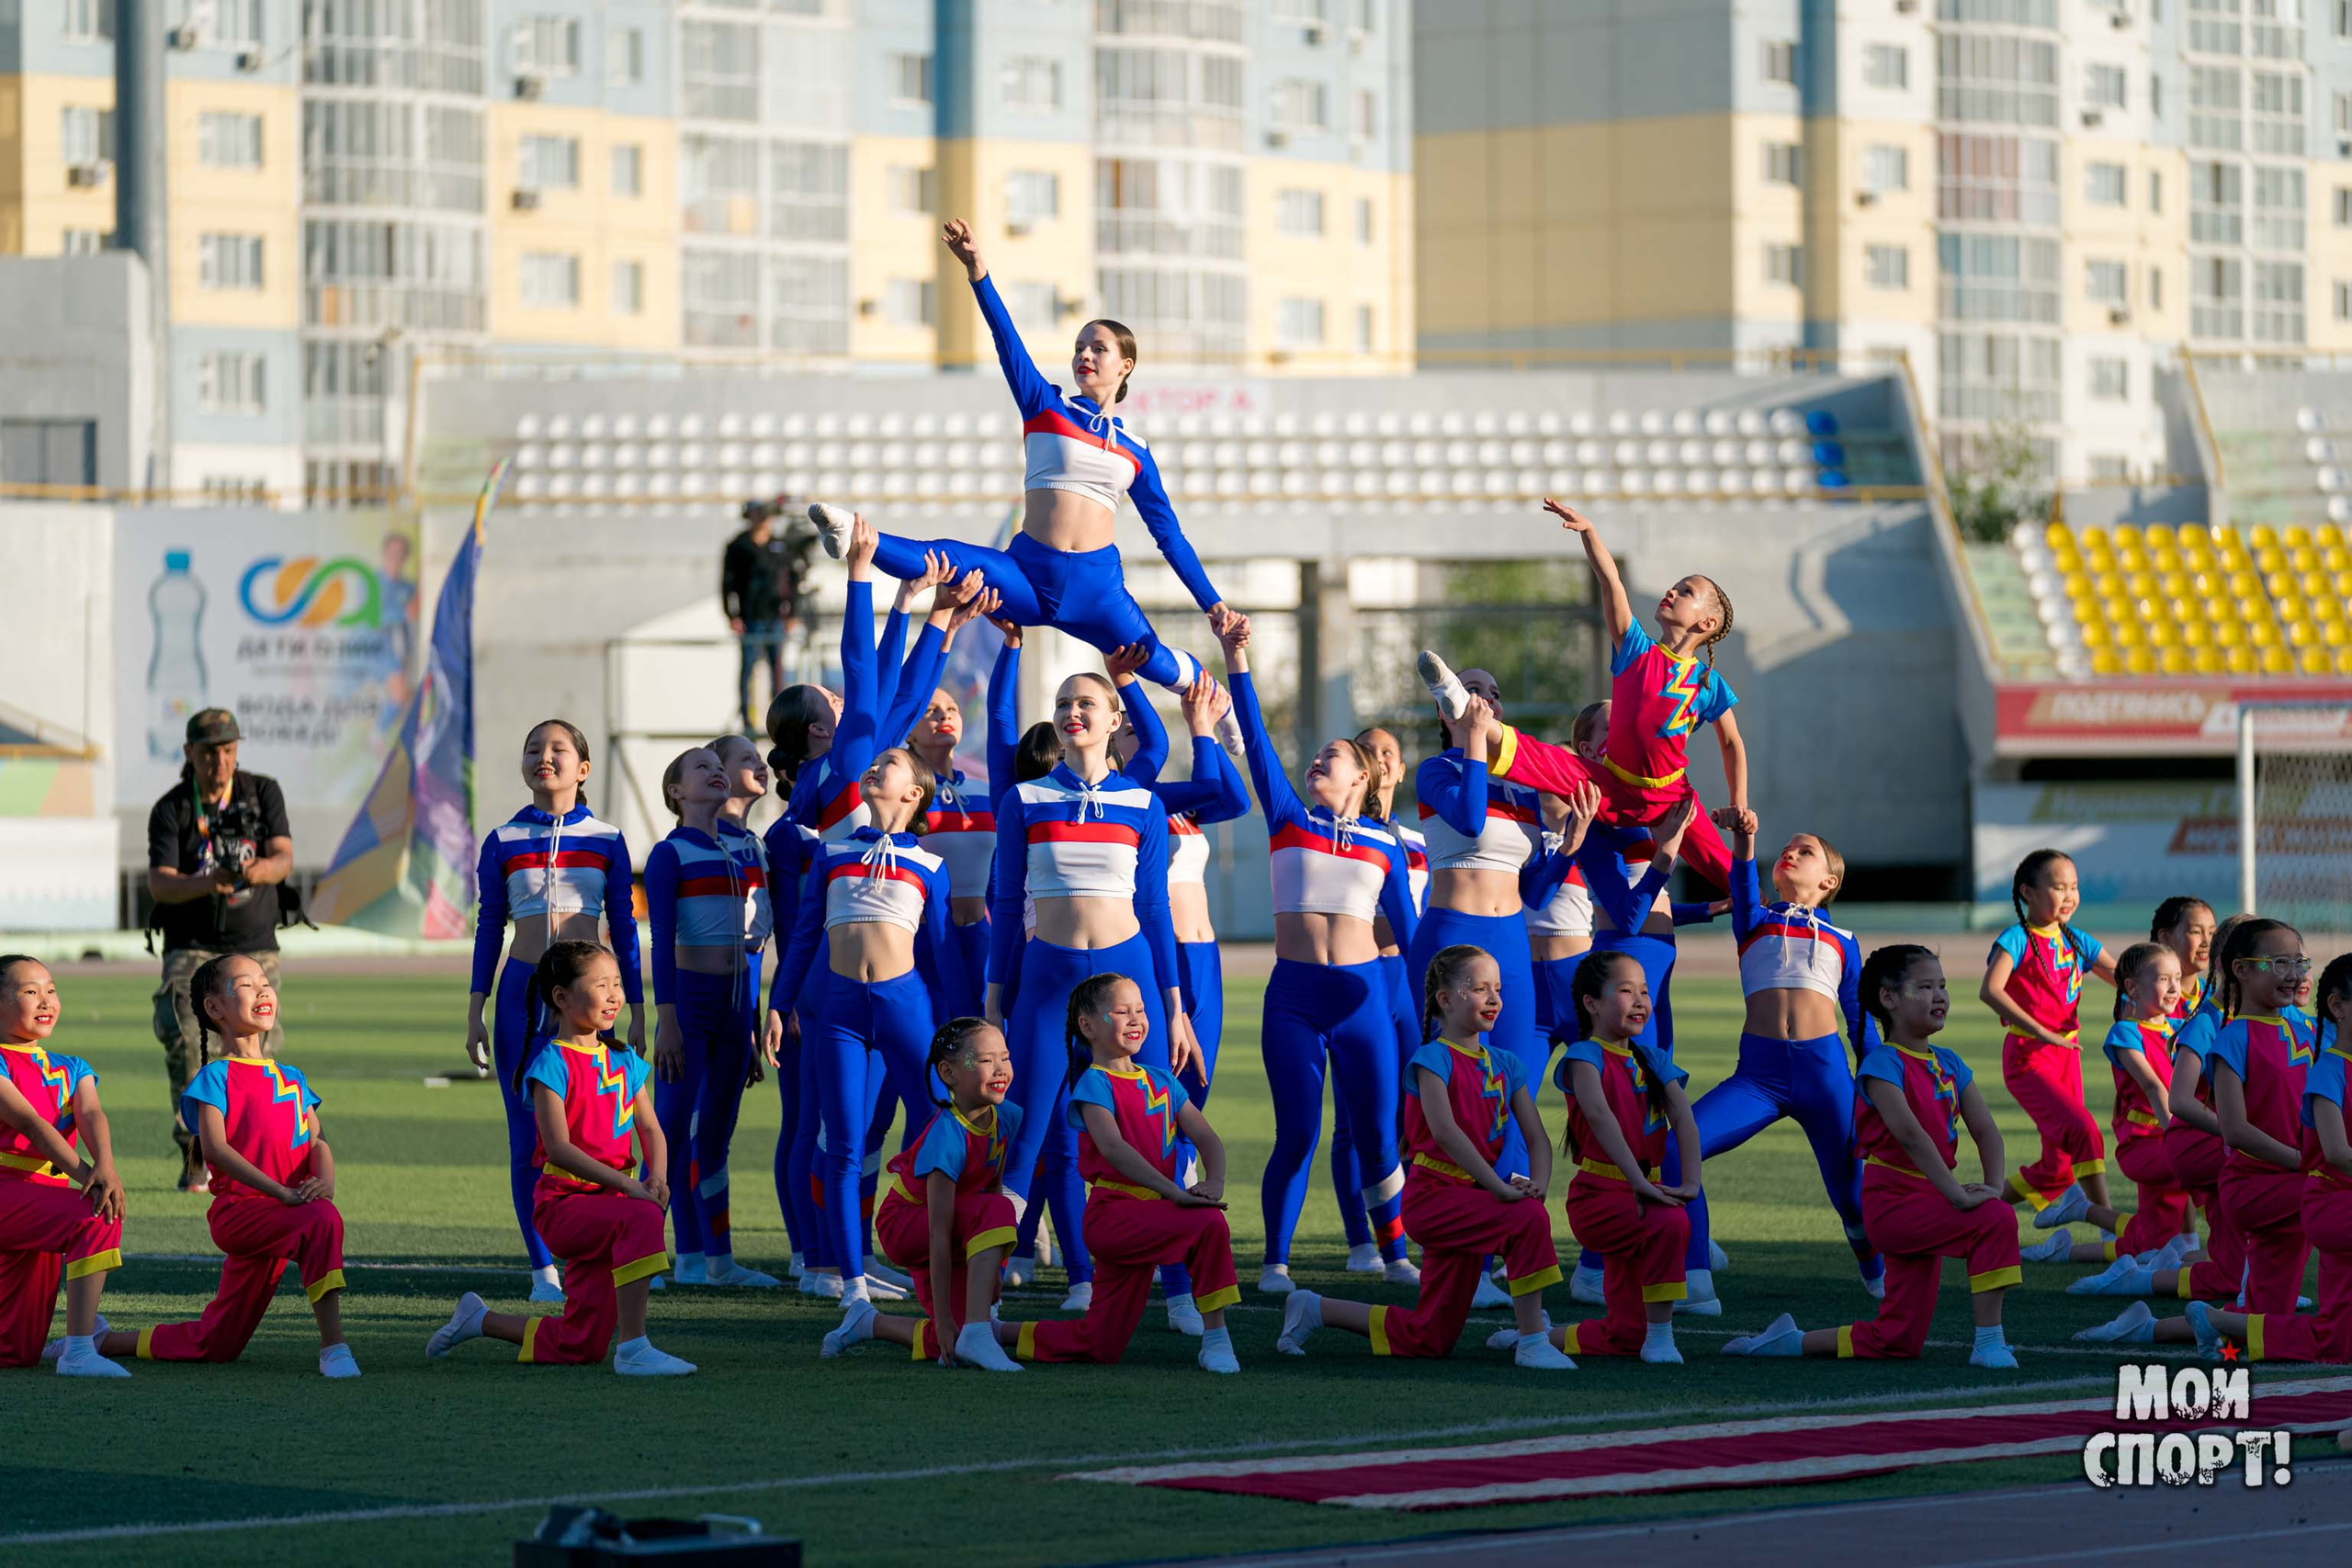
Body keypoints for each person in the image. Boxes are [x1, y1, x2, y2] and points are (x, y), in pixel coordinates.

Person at [802, 219, 1245, 752]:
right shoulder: (1046, 405)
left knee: (1154, 660)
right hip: (1027, 574)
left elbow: (1168, 536)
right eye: (1080, 346)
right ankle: (854, 535)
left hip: (1097, 589)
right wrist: (978, 272)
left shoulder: (1137, 450)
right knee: (949, 557)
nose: (1085, 355)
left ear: (1125, 366)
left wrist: (1213, 605)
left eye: (1098, 348)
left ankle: (1216, 700)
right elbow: (1005, 339)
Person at [1212, 609, 1420, 1294]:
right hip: (1295, 998)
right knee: (1297, 1131)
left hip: (1362, 997)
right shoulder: (1286, 819)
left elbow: (1412, 938)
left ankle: (1393, 1254)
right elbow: (1260, 738)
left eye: (1328, 757)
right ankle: (1274, 1261)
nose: (1314, 762)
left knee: (1377, 1134)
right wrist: (1235, 657)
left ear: (1359, 778)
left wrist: (1435, 1012)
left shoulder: (1388, 843)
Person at [986, 658, 1193, 1313]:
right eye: (1063, 703)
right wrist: (995, 1000)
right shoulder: (1024, 799)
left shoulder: (1144, 803)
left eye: (1086, 703)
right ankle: (1045, 1286)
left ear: (1112, 721)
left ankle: (1184, 1295)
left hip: (1128, 979)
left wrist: (1175, 1009)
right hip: (1047, 981)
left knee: (1155, 1132)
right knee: (1029, 1138)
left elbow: (1156, 909)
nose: (1073, 712)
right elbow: (1007, 896)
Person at [1421, 498, 1745, 894]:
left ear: (1707, 622)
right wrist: (1590, 533)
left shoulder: (1709, 682)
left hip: (1670, 794)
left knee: (1730, 873)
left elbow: (1731, 741)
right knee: (1544, 756)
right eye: (1674, 586)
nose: (1671, 592)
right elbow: (1612, 584)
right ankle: (1462, 704)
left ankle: (1768, 915)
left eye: (1686, 591)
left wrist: (1739, 802)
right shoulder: (1635, 648)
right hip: (1609, 782)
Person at [1276, 945, 1575, 1369]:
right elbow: (1446, 1134)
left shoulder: (1507, 1064)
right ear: (1446, 999)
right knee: (1525, 1221)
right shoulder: (1431, 1059)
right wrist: (1500, 1189)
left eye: (1497, 989)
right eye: (1479, 989)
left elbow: (1538, 1138)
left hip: (1473, 1198)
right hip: (1434, 1200)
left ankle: (1315, 1308)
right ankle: (1533, 1339)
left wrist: (1538, 1185)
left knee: (1429, 1338)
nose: (1493, 998)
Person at [1721, 945, 2020, 1368]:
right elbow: (1910, 1135)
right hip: (1894, 1203)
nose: (1939, 996)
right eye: (1925, 987)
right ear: (1889, 999)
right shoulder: (1882, 1063)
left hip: (1931, 1197)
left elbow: (1986, 1130)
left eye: (1943, 987)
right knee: (1996, 1221)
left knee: (1897, 1340)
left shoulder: (1951, 1062)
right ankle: (1990, 1342)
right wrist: (1958, 1194)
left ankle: (1790, 1341)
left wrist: (1993, 1184)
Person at [427, 942, 694, 1375]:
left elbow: (651, 1129)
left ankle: (479, 1319)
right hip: (565, 1207)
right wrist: (631, 1186)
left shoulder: (624, 1059)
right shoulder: (551, 1063)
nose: (614, 996)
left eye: (618, 985)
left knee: (581, 1343)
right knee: (641, 1218)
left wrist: (657, 1177)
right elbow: (558, 1149)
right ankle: (634, 1348)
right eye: (601, 985)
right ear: (562, 998)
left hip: (610, 1207)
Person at [770, 744, 968, 1303]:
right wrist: (778, 1007)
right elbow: (806, 937)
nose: (875, 768)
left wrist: (969, 1026)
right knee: (844, 1144)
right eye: (873, 763)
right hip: (838, 1013)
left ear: (914, 793)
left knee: (935, 1136)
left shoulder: (930, 865)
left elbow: (943, 956)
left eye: (891, 764)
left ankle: (936, 1266)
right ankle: (850, 1280)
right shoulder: (832, 854)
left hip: (907, 1010)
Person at [96, 954, 356, 1376]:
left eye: (265, 981)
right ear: (215, 1009)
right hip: (242, 1215)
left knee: (217, 1345)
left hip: (286, 1210)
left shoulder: (292, 1077)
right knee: (322, 1221)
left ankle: (107, 1340)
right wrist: (284, 1193)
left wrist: (323, 1182)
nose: (263, 990)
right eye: (246, 984)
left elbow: (317, 1142)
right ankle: (335, 1347)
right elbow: (214, 1151)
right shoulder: (214, 1078)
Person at [1674, 807, 1883, 1310]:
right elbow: (1742, 881)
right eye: (1787, 848)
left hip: (1826, 1077)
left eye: (1804, 851)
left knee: (1851, 1199)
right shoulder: (1754, 920)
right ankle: (1695, 1280)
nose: (1790, 852)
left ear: (1828, 880)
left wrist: (1877, 1090)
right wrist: (1745, 840)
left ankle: (1878, 1276)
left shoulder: (1845, 942)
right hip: (1758, 1078)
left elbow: (1860, 1024)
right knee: (1678, 1150)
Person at [2077, 930, 2325, 1350]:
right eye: (2279, 962)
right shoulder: (2228, 1033)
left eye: (2299, 963)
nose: (2293, 973)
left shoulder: (2305, 1028)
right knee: (2332, 1199)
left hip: (2288, 1175)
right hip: (2256, 1181)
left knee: (2262, 1321)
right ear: (2240, 970)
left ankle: (2148, 1327)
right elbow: (2229, 1126)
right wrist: (2305, 1161)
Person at [467, 719, 644, 1303]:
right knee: (528, 1139)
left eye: (558, 749)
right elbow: (490, 926)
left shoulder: (609, 839)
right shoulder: (502, 839)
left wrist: (636, 1004)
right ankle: (543, 1270)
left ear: (583, 769)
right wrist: (476, 1011)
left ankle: (604, 1251)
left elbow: (624, 923)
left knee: (600, 1133)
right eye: (533, 748)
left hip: (590, 1000)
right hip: (522, 997)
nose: (545, 757)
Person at [998, 974, 1241, 1372]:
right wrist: (1176, 1192)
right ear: (1088, 1026)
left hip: (1151, 1216)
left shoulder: (1161, 1080)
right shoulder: (1094, 1084)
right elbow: (1114, 1149)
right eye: (1122, 1011)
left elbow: (1207, 1138)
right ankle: (1217, 1340)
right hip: (1114, 1216)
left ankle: (995, 1332)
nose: (1136, 1019)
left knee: (1099, 1345)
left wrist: (1213, 1180)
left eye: (1141, 1011)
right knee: (1208, 1225)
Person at [147, 707, 293, 1193]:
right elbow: (160, 885)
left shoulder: (261, 791)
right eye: (210, 752)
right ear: (190, 754)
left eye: (229, 750)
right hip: (191, 944)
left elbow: (283, 858)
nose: (221, 761)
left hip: (253, 944)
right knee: (188, 1043)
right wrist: (210, 881)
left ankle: (260, 1159)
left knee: (261, 1051)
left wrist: (252, 874)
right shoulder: (173, 808)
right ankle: (197, 1156)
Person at [821, 1017, 1023, 1368]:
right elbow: (938, 1232)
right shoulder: (946, 1136)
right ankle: (975, 1332)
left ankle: (869, 1322)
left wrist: (993, 1273)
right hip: (908, 1225)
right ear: (948, 1073)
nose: (1000, 1068)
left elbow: (991, 1183)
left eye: (1004, 1057)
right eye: (986, 1061)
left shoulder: (1006, 1116)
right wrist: (942, 1317)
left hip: (957, 1220)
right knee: (998, 1211)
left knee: (952, 1342)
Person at [1548, 949, 1699, 1363]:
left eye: (1645, 992)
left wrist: (1691, 1182)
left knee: (1625, 1334)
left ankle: (1540, 1335)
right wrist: (1638, 1184)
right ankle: (1663, 1337)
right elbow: (1599, 1117)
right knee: (1670, 1223)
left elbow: (1684, 1121)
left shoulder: (1651, 1059)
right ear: (1591, 1004)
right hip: (1599, 1197)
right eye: (1626, 991)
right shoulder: (1584, 1055)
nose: (1640, 1001)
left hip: (1639, 1190)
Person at [0, 956, 128, 1377]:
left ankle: (75, 1340)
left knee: (17, 1353)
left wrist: (105, 1166)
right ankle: (79, 1349)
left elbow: (91, 1115)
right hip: (8, 1191)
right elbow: (31, 1124)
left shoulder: (73, 1067)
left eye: (51, 990)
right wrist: (89, 1177)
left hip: (40, 1199)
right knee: (96, 1212)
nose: (45, 1001)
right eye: (29, 992)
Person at [1982, 849, 2122, 1228]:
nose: (2069, 896)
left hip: (2067, 1056)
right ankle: (2113, 1231)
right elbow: (1991, 990)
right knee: (2084, 1132)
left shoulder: (2078, 941)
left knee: (2058, 1169)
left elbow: (2126, 980)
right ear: (2028, 892)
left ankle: (1976, 1211)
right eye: (2059, 887)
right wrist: (2041, 1031)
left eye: (2074, 887)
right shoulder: (2017, 938)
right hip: (2028, 1057)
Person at [2062, 943, 2199, 1287]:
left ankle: (2069, 1239)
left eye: (2177, 979)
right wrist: (2180, 1138)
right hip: (2144, 1144)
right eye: (2164, 979)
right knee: (2204, 1172)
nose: (2173, 988)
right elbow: (2154, 1088)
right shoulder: (2125, 1033)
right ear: (2132, 988)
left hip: (2168, 1136)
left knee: (2148, 1241)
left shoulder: (2180, 1027)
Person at [723, 498, 794, 735]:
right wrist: (732, 615)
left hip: (775, 618)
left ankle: (781, 721)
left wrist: (791, 612)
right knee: (748, 670)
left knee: (777, 670)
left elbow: (791, 581)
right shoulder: (738, 546)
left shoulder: (779, 546)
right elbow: (727, 583)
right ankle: (748, 720)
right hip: (750, 618)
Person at [2152, 896, 2218, 1021]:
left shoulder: (2212, 994)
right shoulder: (2148, 995)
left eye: (2211, 933)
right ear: (2165, 938)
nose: (2206, 942)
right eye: (2196, 932)